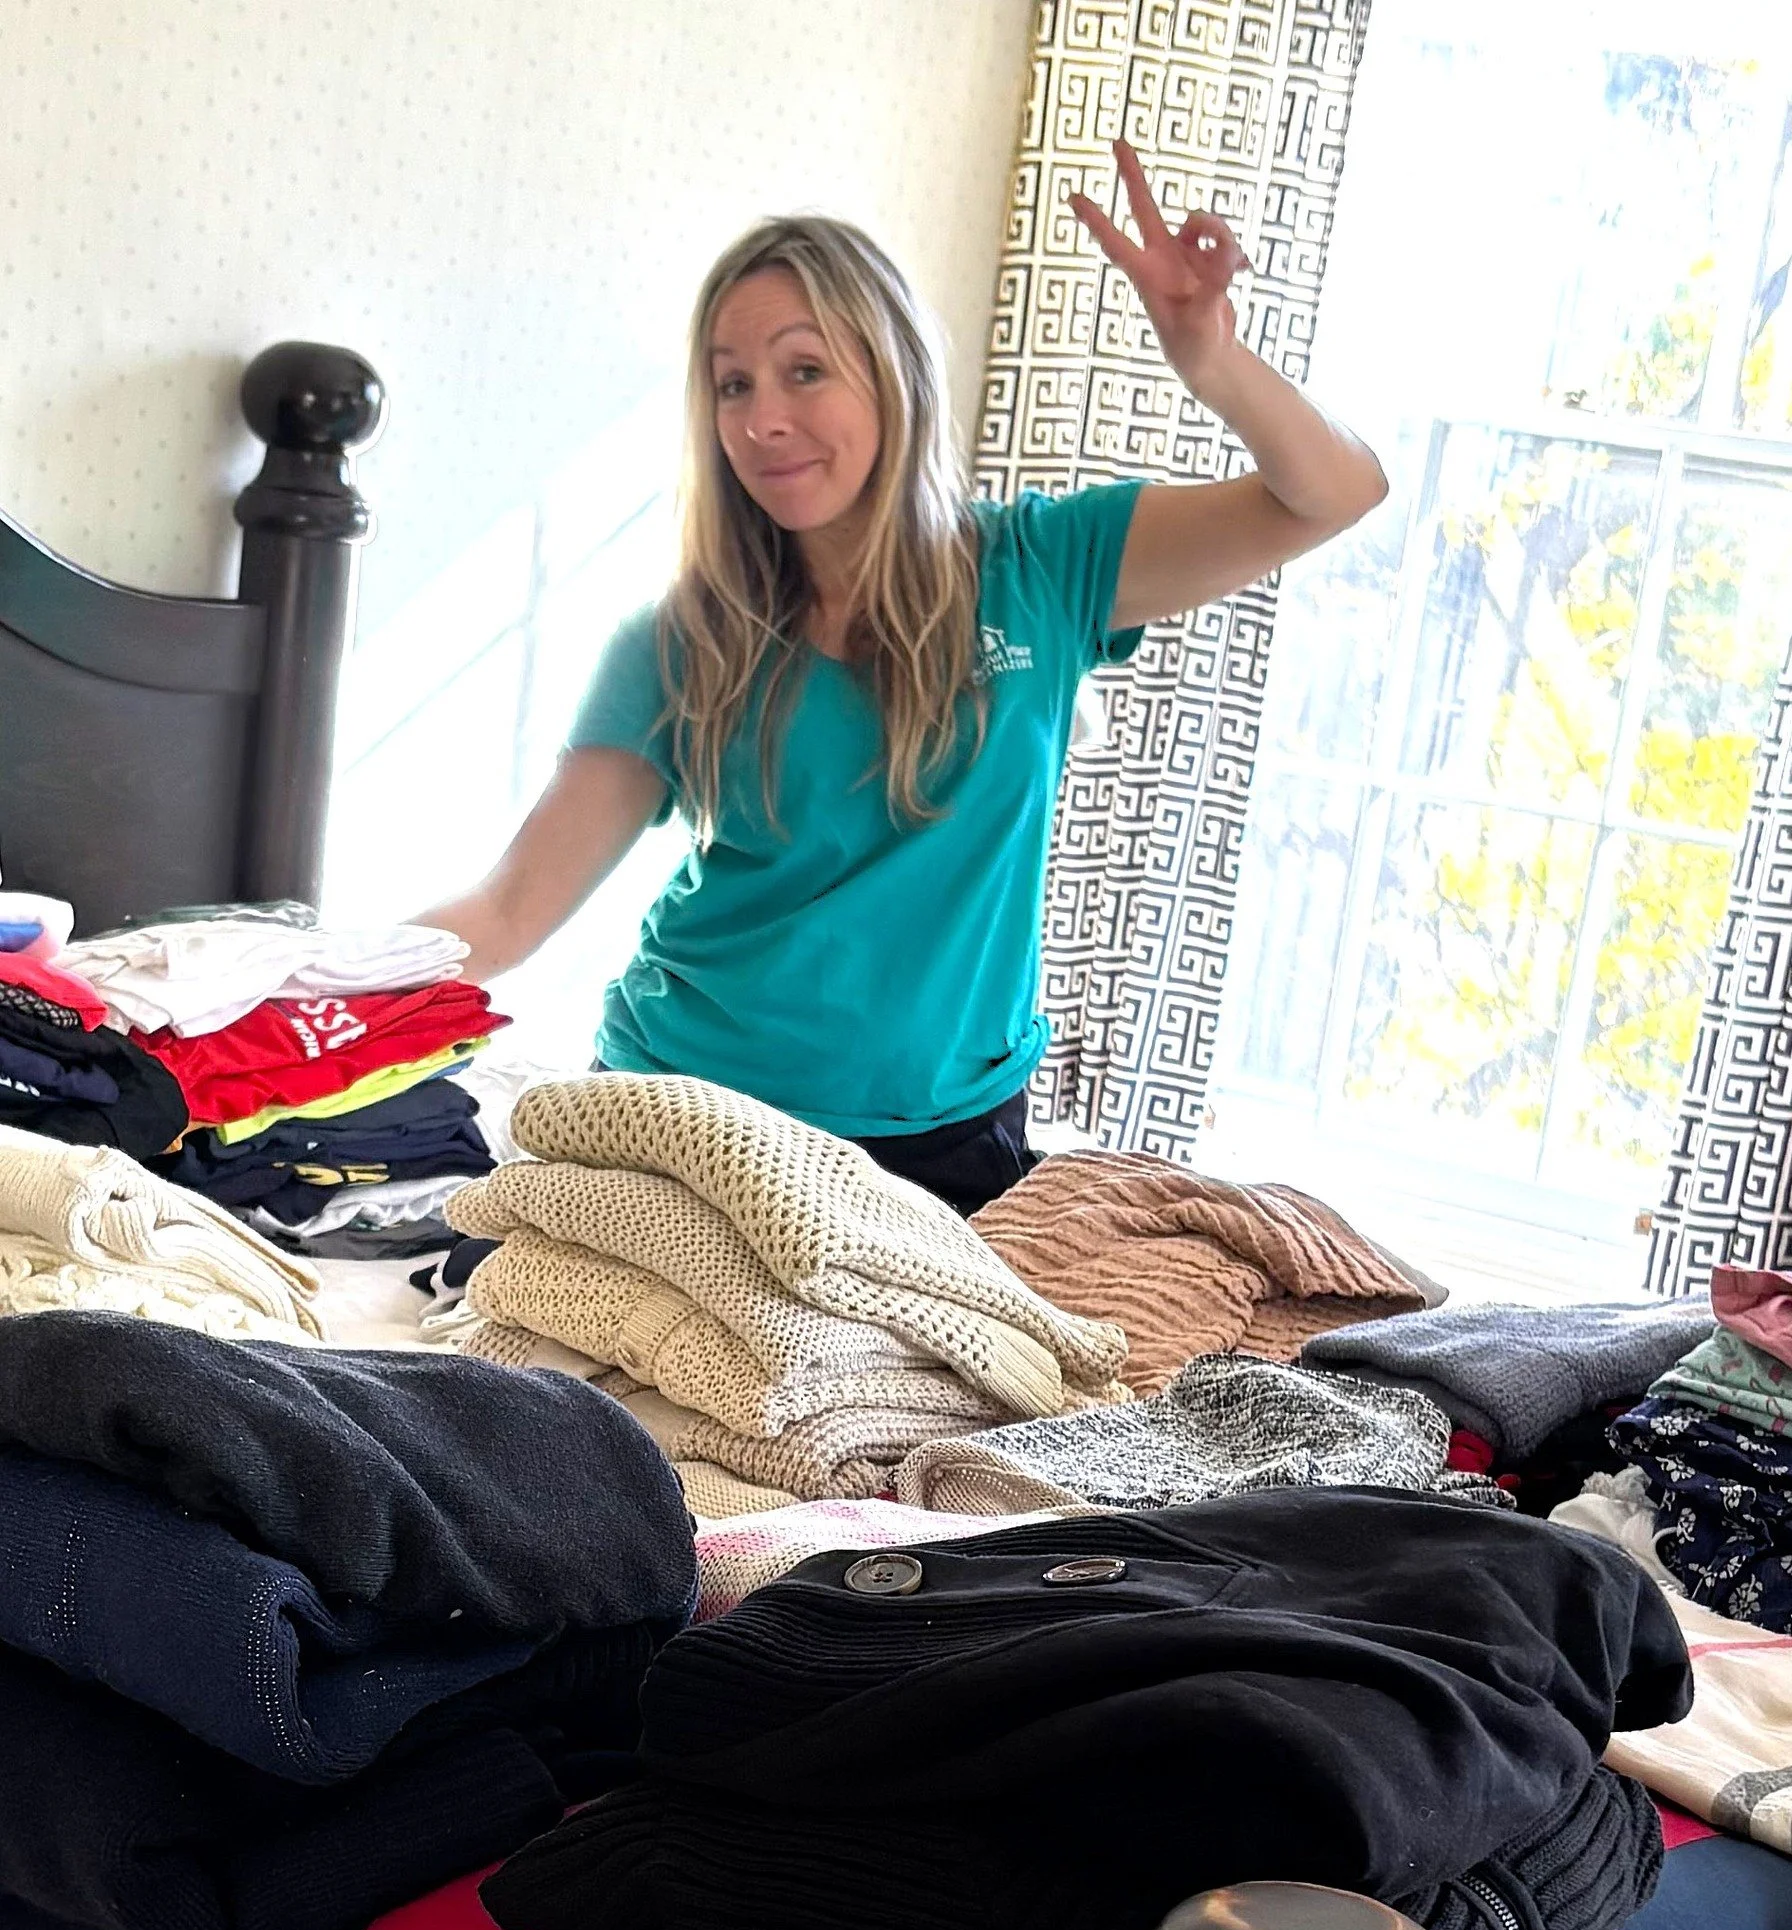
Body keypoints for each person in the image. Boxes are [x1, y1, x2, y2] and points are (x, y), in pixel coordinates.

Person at [420, 141, 1386, 1215]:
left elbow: (1334, 492)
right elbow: (509, 907)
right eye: (730, 383)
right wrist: (290, 995)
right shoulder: (677, 639)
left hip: (945, 1144)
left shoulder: (1040, 568)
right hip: (686, 1117)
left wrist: (1209, 359)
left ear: (888, 371)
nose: (760, 419)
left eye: (803, 369)